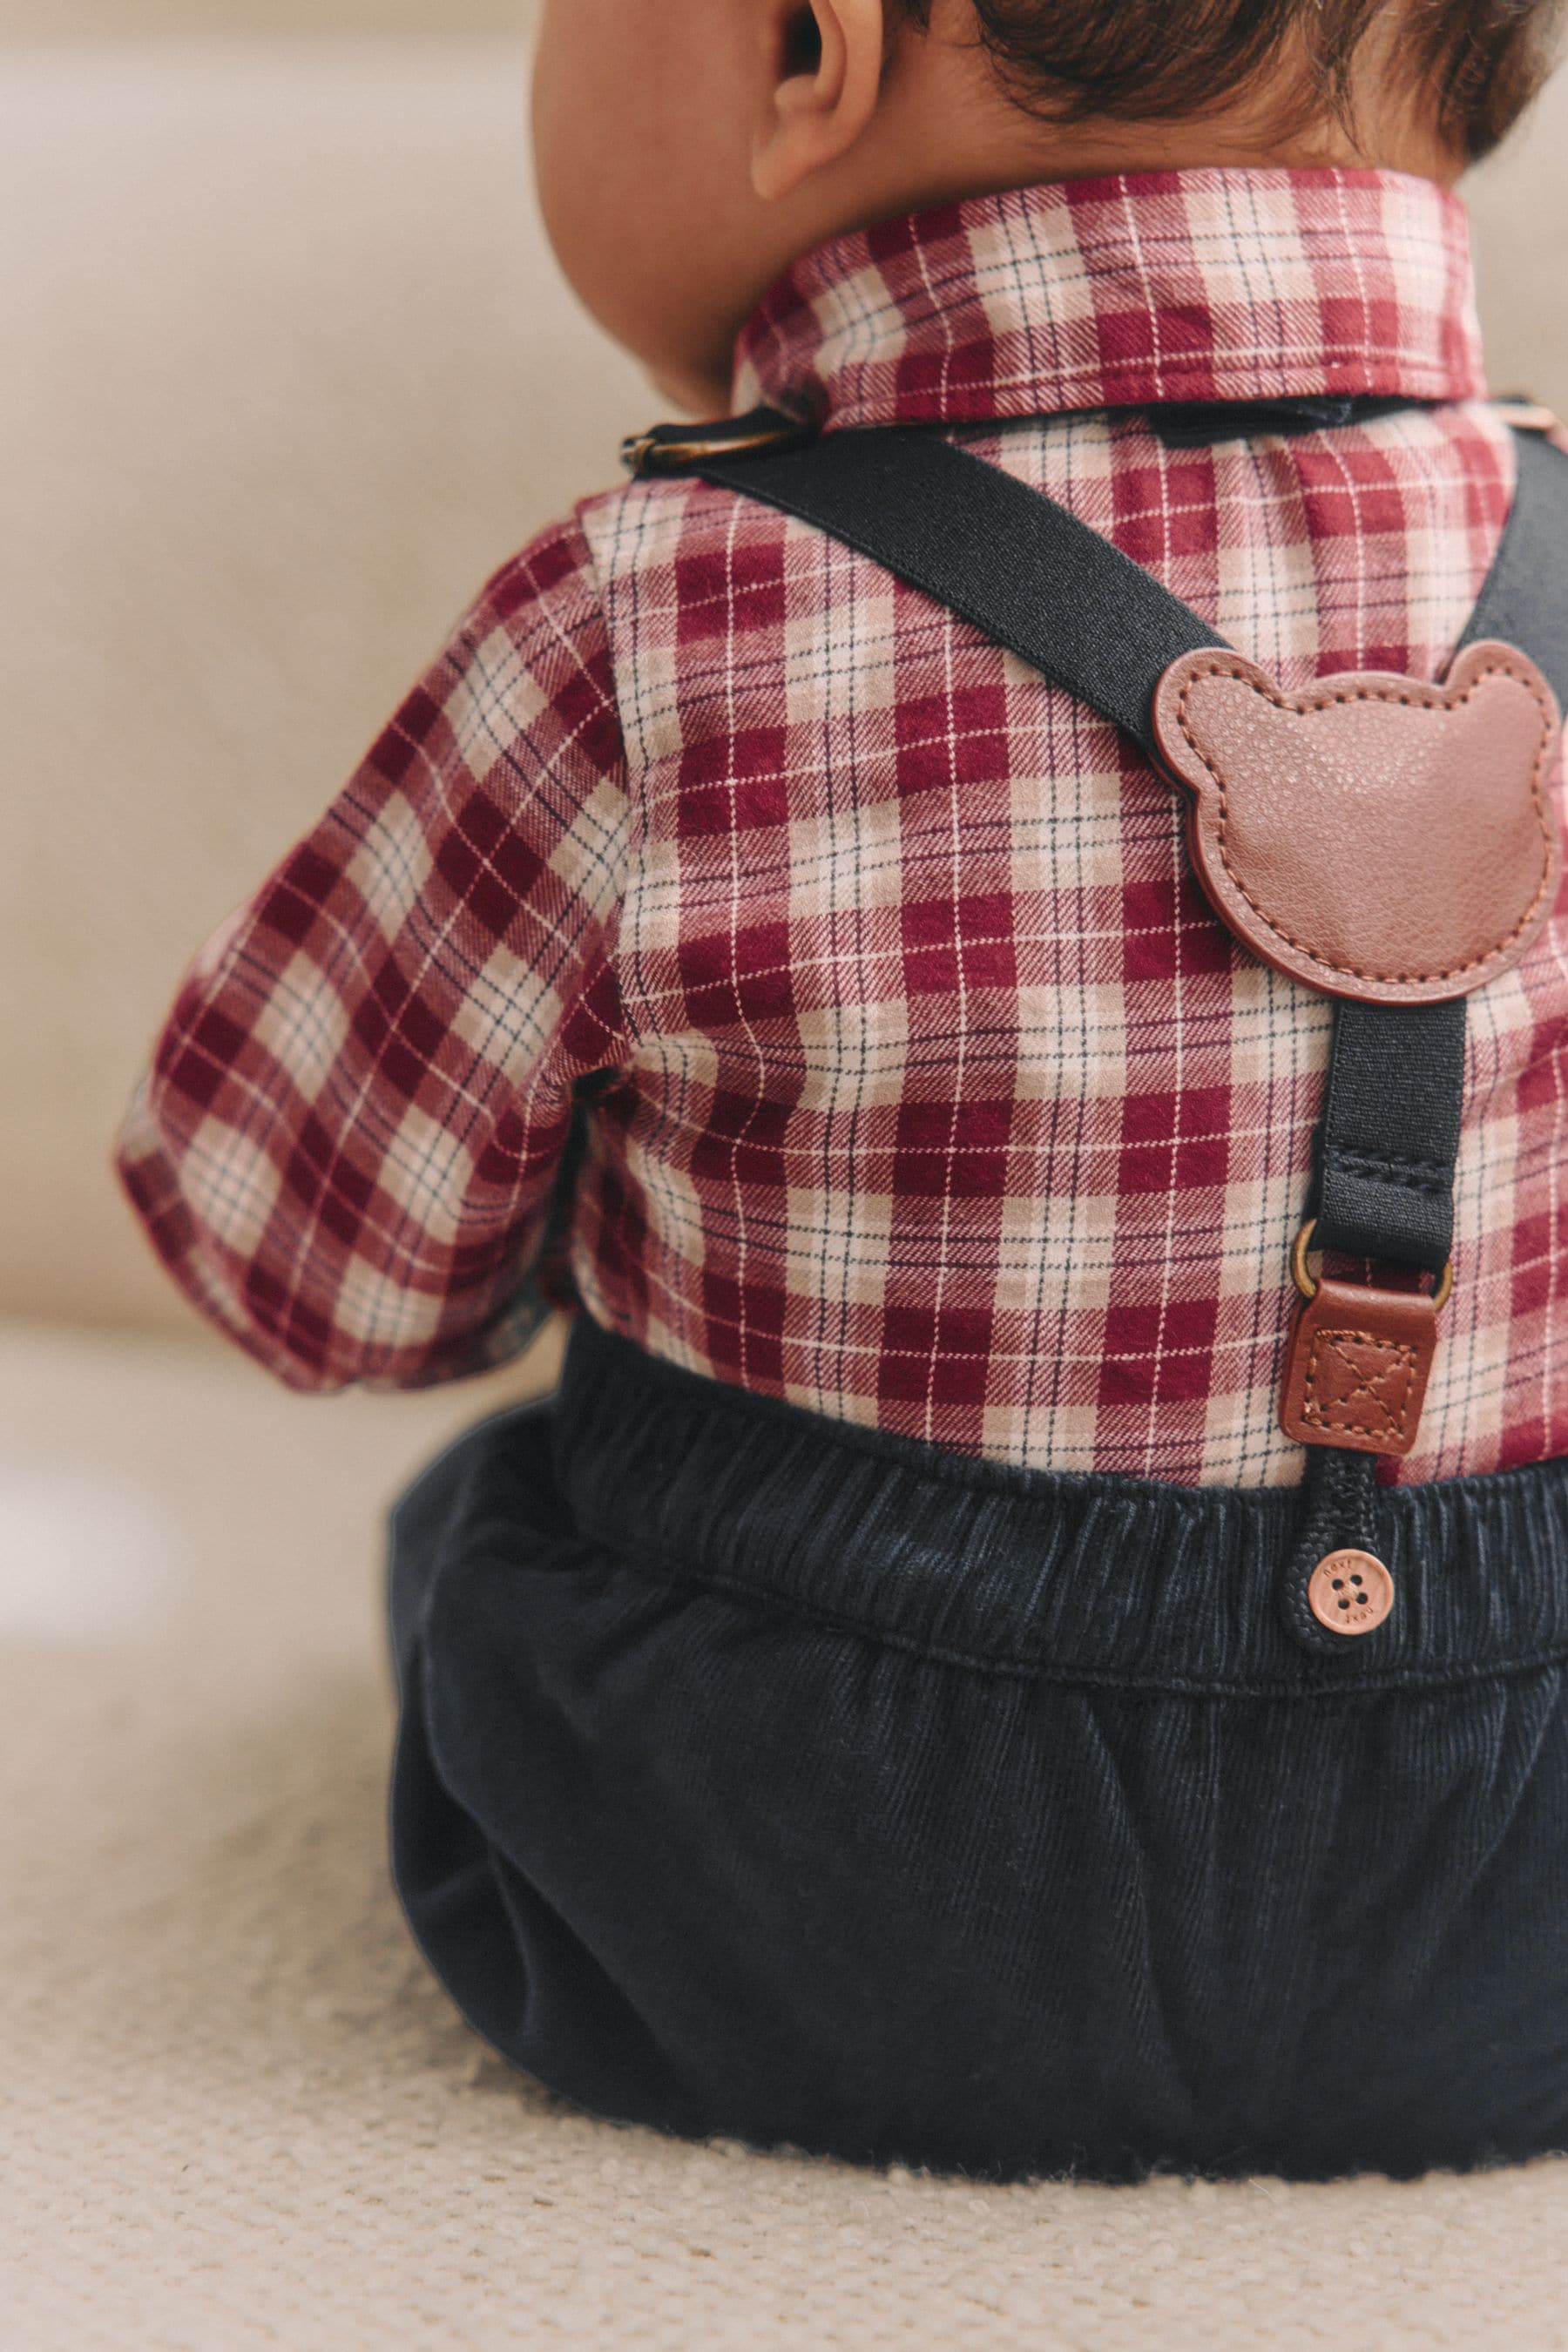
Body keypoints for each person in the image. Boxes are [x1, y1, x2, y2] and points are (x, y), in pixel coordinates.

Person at [118, 0, 1568, 2181]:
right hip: (1521, 1911)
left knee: (470, 1529)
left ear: (812, 44)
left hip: (769, 1898)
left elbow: (308, 1273)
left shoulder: (650, 617)